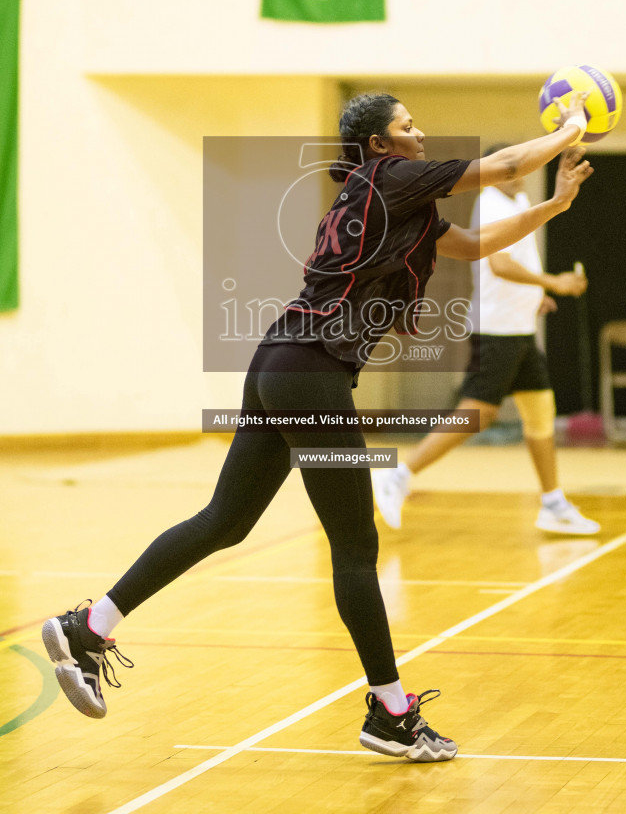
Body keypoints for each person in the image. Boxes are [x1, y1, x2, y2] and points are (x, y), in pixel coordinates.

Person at [42, 92, 592, 762]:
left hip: (279, 365)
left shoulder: (394, 199)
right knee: (355, 549)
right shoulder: (389, 177)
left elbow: (474, 246)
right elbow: (503, 163)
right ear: (381, 145)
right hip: (309, 373)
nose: (418, 133)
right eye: (406, 125)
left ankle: (90, 627)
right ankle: (390, 712)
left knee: (225, 520)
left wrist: (555, 206)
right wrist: (569, 125)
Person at [372, 145, 601, 536]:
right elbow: (499, 263)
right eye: (511, 170)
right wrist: (554, 283)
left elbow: (520, 261)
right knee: (479, 413)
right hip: (497, 329)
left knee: (540, 411)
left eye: (521, 169)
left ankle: (552, 504)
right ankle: (398, 474)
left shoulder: (521, 198)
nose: (519, 174)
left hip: (519, 326)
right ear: (497, 172)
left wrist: (534, 296)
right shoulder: (492, 203)